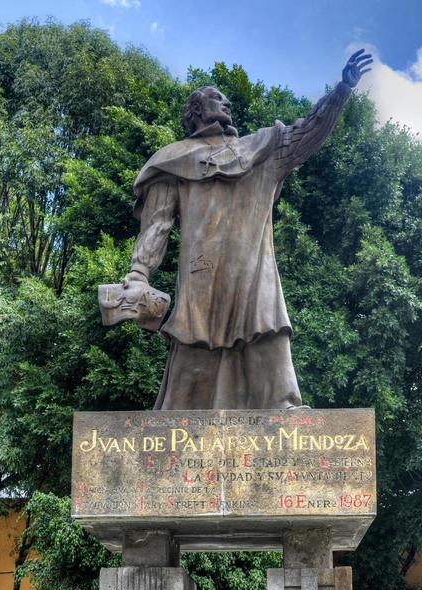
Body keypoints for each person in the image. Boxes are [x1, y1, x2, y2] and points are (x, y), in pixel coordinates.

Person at [115, 49, 373, 410]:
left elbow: (307, 134)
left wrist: (341, 92)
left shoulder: (261, 149)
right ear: (196, 112)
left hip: (254, 266)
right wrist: (139, 273)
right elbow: (157, 223)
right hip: (202, 271)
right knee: (194, 343)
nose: (226, 103)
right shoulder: (172, 161)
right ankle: (183, 419)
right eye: (216, 98)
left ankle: (281, 404)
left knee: (266, 326)